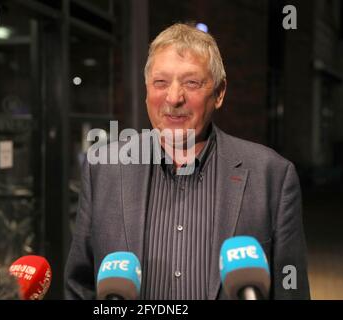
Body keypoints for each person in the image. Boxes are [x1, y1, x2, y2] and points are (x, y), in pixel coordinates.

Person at [64, 23, 310, 300]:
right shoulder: (104, 169)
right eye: (161, 82)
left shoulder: (272, 175)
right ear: (147, 91)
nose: (173, 98)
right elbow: (79, 285)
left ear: (219, 93)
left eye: (191, 83)